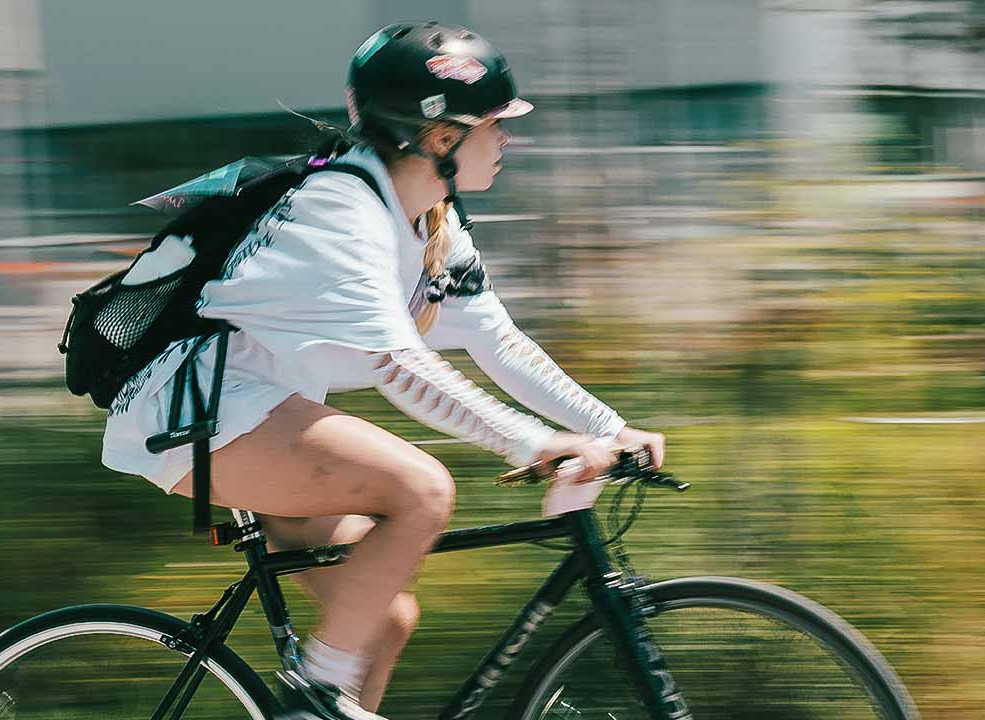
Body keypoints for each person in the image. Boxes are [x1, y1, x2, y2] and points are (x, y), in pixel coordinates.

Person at [101, 21, 665, 720]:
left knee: (381, 620)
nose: (508, 138)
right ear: (440, 137)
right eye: (494, 123)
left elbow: (499, 343)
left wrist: (607, 427)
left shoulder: (430, 221)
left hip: (259, 409)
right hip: (192, 411)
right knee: (422, 490)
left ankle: (323, 695)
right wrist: (535, 443)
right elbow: (398, 366)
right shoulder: (340, 210)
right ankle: (313, 696)